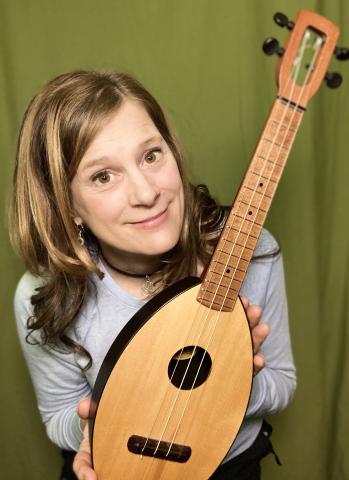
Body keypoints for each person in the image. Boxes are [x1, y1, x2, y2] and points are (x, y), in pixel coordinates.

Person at [10, 70, 296, 480]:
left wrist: (229, 387)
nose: (146, 194)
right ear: (66, 206)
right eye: (103, 176)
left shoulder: (250, 250)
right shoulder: (46, 294)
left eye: (150, 155)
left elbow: (282, 385)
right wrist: (100, 427)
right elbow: (59, 415)